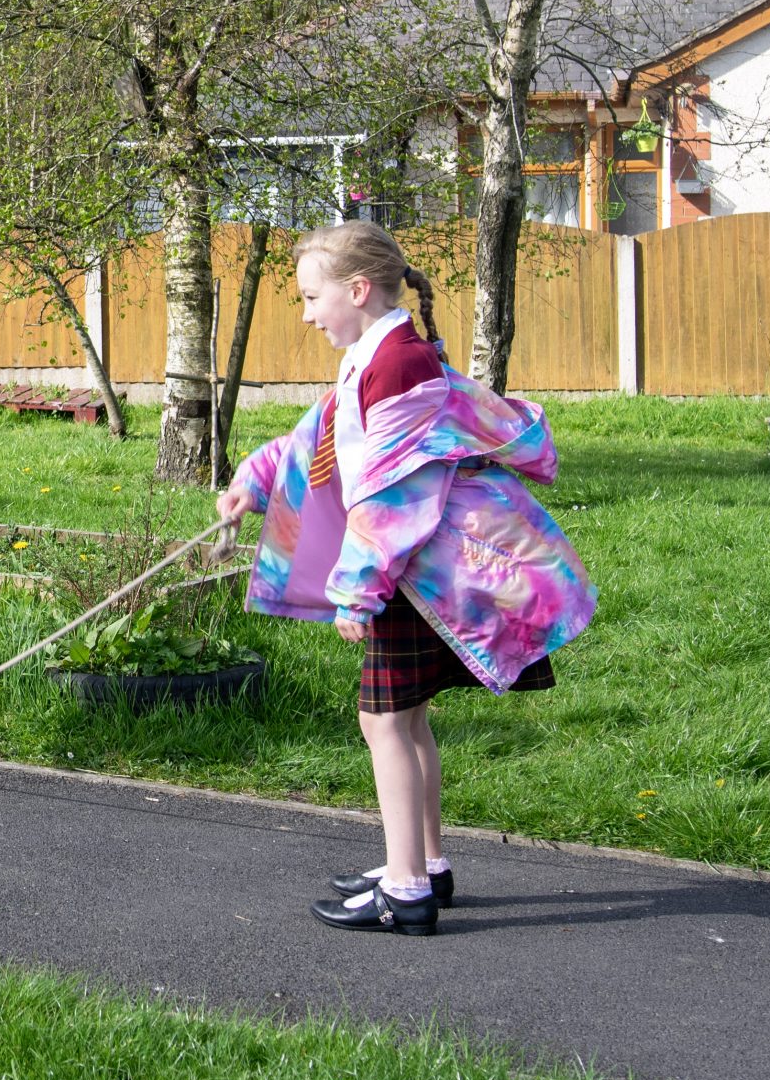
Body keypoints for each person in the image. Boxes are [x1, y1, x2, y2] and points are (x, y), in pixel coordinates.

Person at [216, 220, 594, 936]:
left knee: (384, 720)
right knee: (407, 718)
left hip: (409, 566)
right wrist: (254, 482)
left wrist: (357, 588)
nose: (307, 314)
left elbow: (394, 491)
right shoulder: (378, 356)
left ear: (358, 290)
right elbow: (323, 436)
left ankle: (407, 888)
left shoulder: (396, 365)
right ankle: (424, 863)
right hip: (409, 567)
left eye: (311, 297)